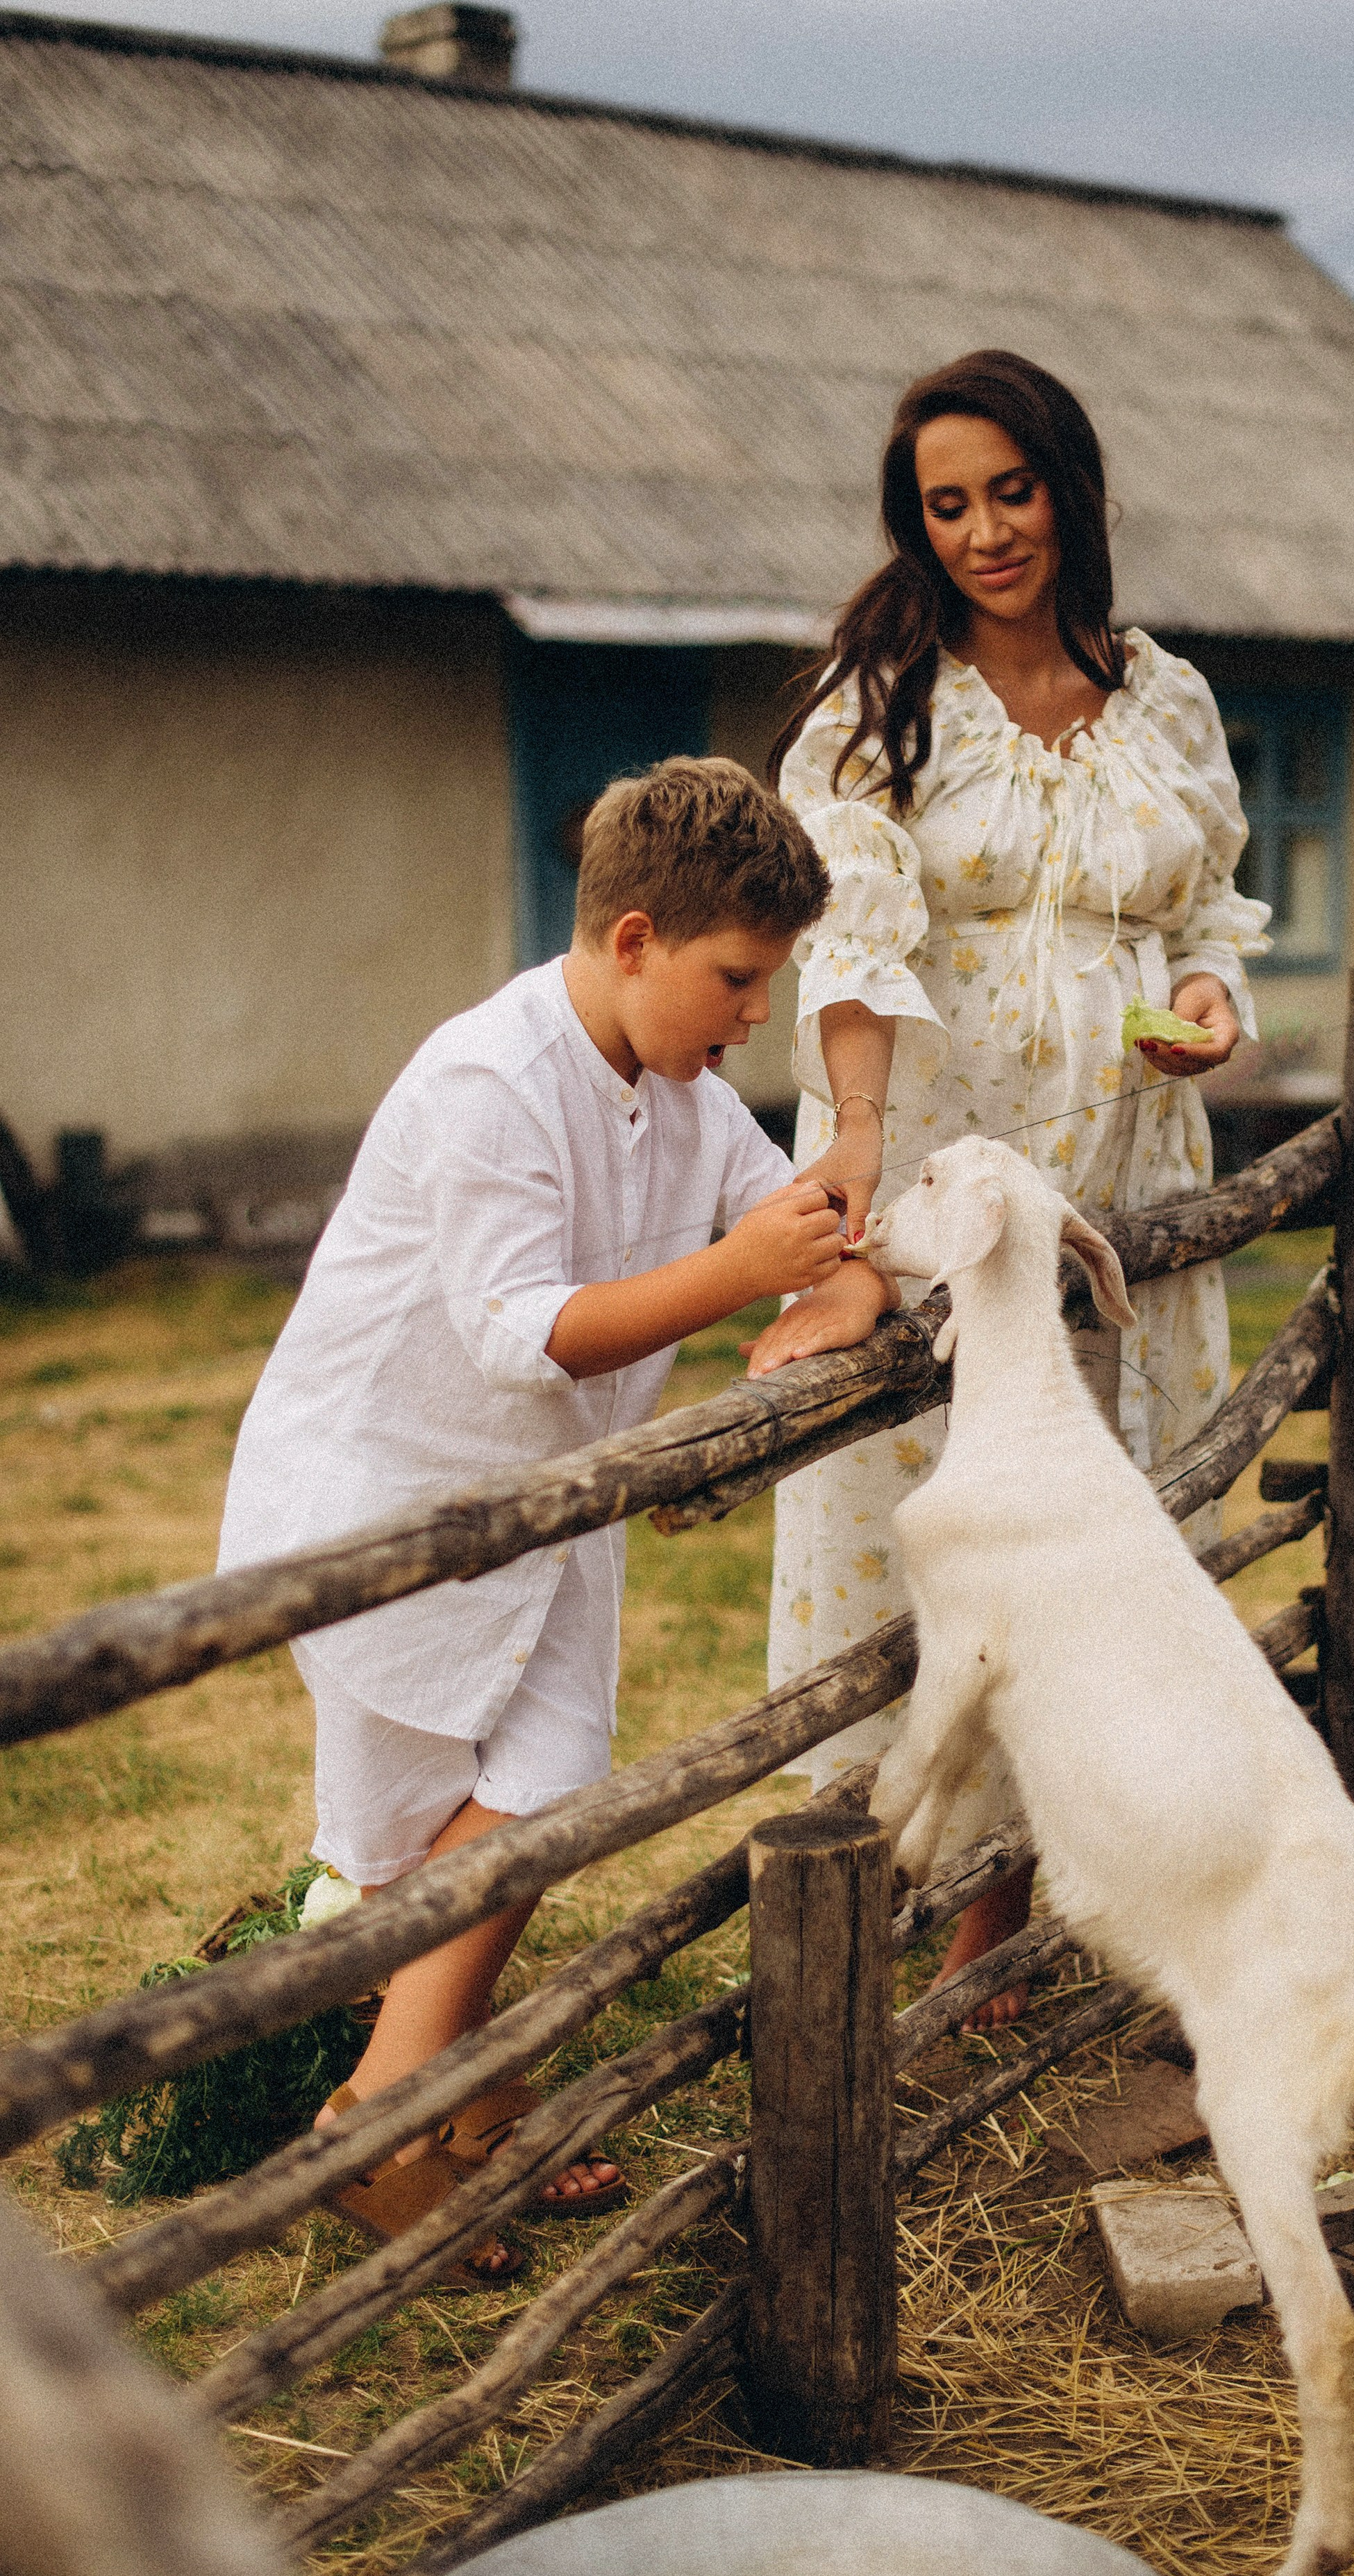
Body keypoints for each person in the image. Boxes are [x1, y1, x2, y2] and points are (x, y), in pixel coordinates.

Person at [219, 758, 897, 2279]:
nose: (751, 1019)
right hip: (384, 1501)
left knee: (544, 1784)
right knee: (417, 1838)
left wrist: (835, 1278)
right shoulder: (489, 1082)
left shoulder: (686, 1093)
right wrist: (741, 1275)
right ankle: (389, 2129)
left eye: (767, 986)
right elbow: (525, 1332)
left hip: (544, 1504)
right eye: (735, 980)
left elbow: (815, 1230)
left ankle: (434, 2092)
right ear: (636, 938)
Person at [748, 351, 1269, 2025]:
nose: (982, 532)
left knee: (1093, 1543)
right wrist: (849, 1144)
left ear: (1069, 486)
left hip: (1123, 1180)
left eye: (1009, 491)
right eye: (944, 505)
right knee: (925, 1533)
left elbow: (1205, 924)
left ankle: (1017, 1921)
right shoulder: (880, 702)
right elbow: (845, 931)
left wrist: (1203, 1012)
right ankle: (872, 1904)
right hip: (940, 1177)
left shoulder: (1164, 701)